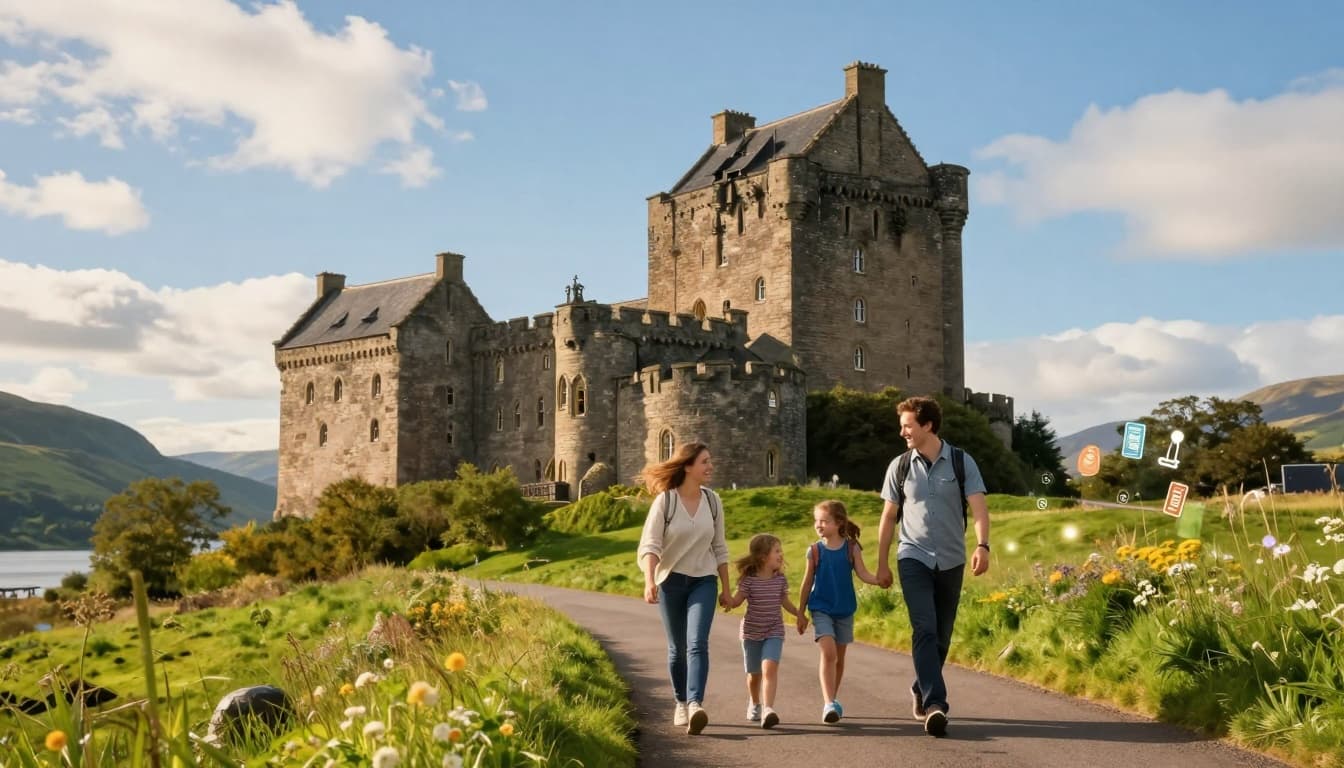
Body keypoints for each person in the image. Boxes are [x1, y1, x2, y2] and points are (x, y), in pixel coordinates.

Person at [875, 396, 990, 738]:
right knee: (924, 628)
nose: (903, 432)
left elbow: (980, 509)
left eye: (908, 425)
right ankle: (935, 703)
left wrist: (983, 546)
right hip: (913, 555)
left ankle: (919, 687)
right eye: (902, 426)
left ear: (927, 425)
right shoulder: (900, 466)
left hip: (952, 558)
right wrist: (881, 563)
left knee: (941, 636)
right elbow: (888, 517)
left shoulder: (960, 462)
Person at [636, 442, 732, 735]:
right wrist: (650, 581)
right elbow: (651, 545)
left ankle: (695, 704)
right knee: (678, 648)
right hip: (671, 581)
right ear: (687, 466)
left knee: (697, 643)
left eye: (710, 460)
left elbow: (720, 547)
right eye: (705, 461)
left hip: (704, 579)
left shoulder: (713, 501)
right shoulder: (666, 502)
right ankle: (680, 701)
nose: (710, 466)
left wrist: (726, 589)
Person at [795, 499, 881, 724]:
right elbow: (806, 583)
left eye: (824, 521)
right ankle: (828, 704)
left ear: (839, 523)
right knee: (829, 653)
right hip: (820, 608)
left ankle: (833, 698)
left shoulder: (851, 548)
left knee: (839, 658)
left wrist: (878, 580)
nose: (819, 525)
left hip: (844, 609)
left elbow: (863, 573)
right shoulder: (814, 551)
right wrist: (800, 613)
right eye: (817, 521)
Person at [724, 533, 803, 729]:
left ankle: (768, 709)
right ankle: (755, 702)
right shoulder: (748, 580)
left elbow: (784, 602)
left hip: (773, 630)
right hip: (751, 632)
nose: (781, 554)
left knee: (770, 668)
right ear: (762, 557)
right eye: (776, 551)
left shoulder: (780, 580)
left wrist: (800, 614)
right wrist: (726, 600)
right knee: (754, 674)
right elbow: (737, 601)